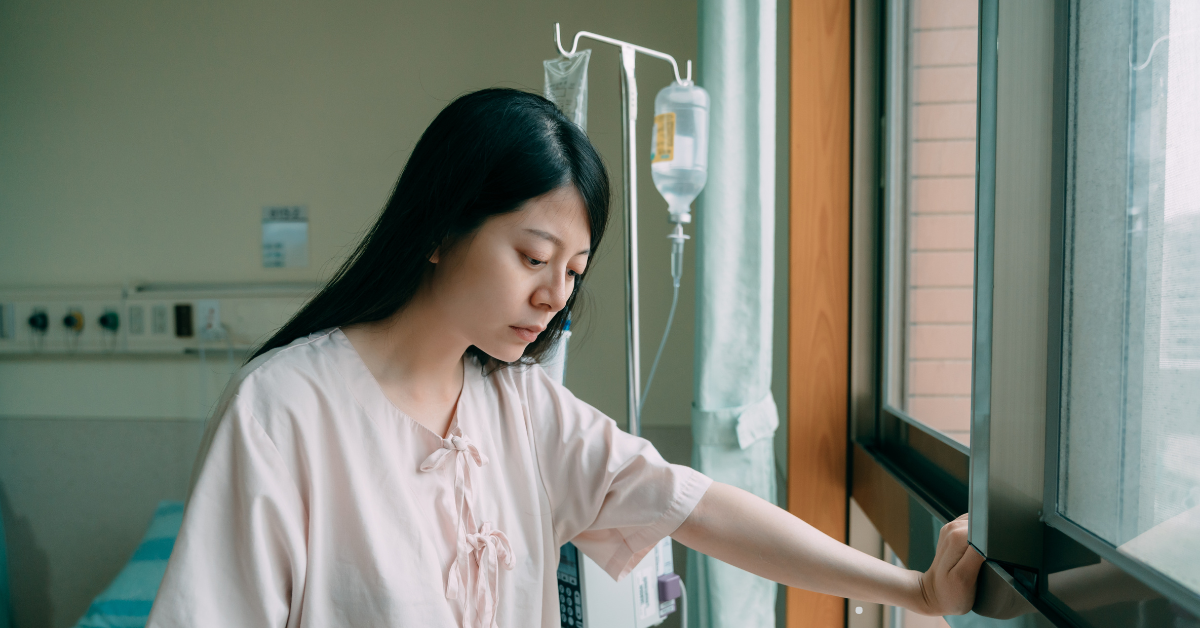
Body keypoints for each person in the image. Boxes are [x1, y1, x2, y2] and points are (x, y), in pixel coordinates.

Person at [147, 88, 984, 628]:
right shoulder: (287, 408)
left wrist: (914, 590)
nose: (555, 295)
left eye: (574, 272)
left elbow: (699, 508)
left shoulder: (523, 408)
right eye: (532, 257)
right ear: (442, 229)